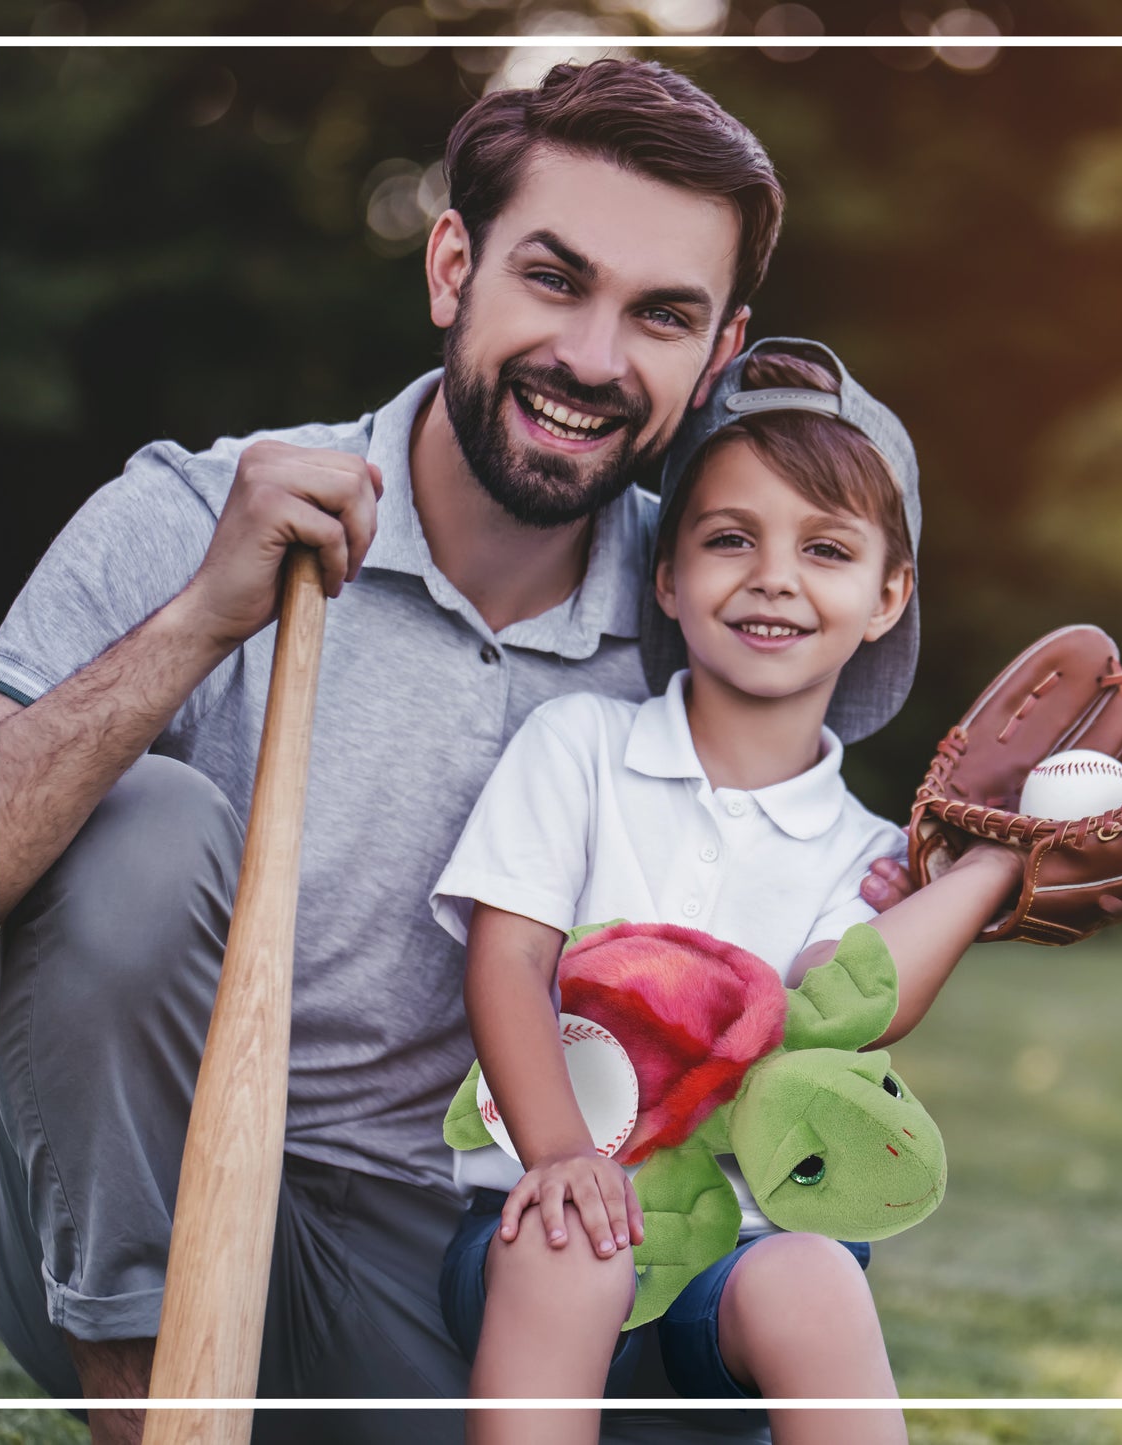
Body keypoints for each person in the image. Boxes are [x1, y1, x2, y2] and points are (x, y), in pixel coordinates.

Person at [0, 58, 911, 1445]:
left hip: (486, 1259)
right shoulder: (190, 516)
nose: (591, 354)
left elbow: (829, 869)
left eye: (662, 316)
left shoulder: (710, 598)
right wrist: (197, 623)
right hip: (165, 1232)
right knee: (139, 831)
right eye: (554, 277)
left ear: (716, 352)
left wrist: (1010, 868)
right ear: (451, 262)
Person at [429, 340, 1025, 1445]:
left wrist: (996, 865)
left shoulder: (865, 855)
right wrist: (564, 1153)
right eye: (728, 538)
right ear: (666, 573)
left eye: (828, 547)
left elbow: (841, 1001)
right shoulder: (579, 748)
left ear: (887, 593)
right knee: (565, 1244)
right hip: (541, 1228)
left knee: (810, 1278)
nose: (773, 575)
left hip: (738, 1266)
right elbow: (506, 955)